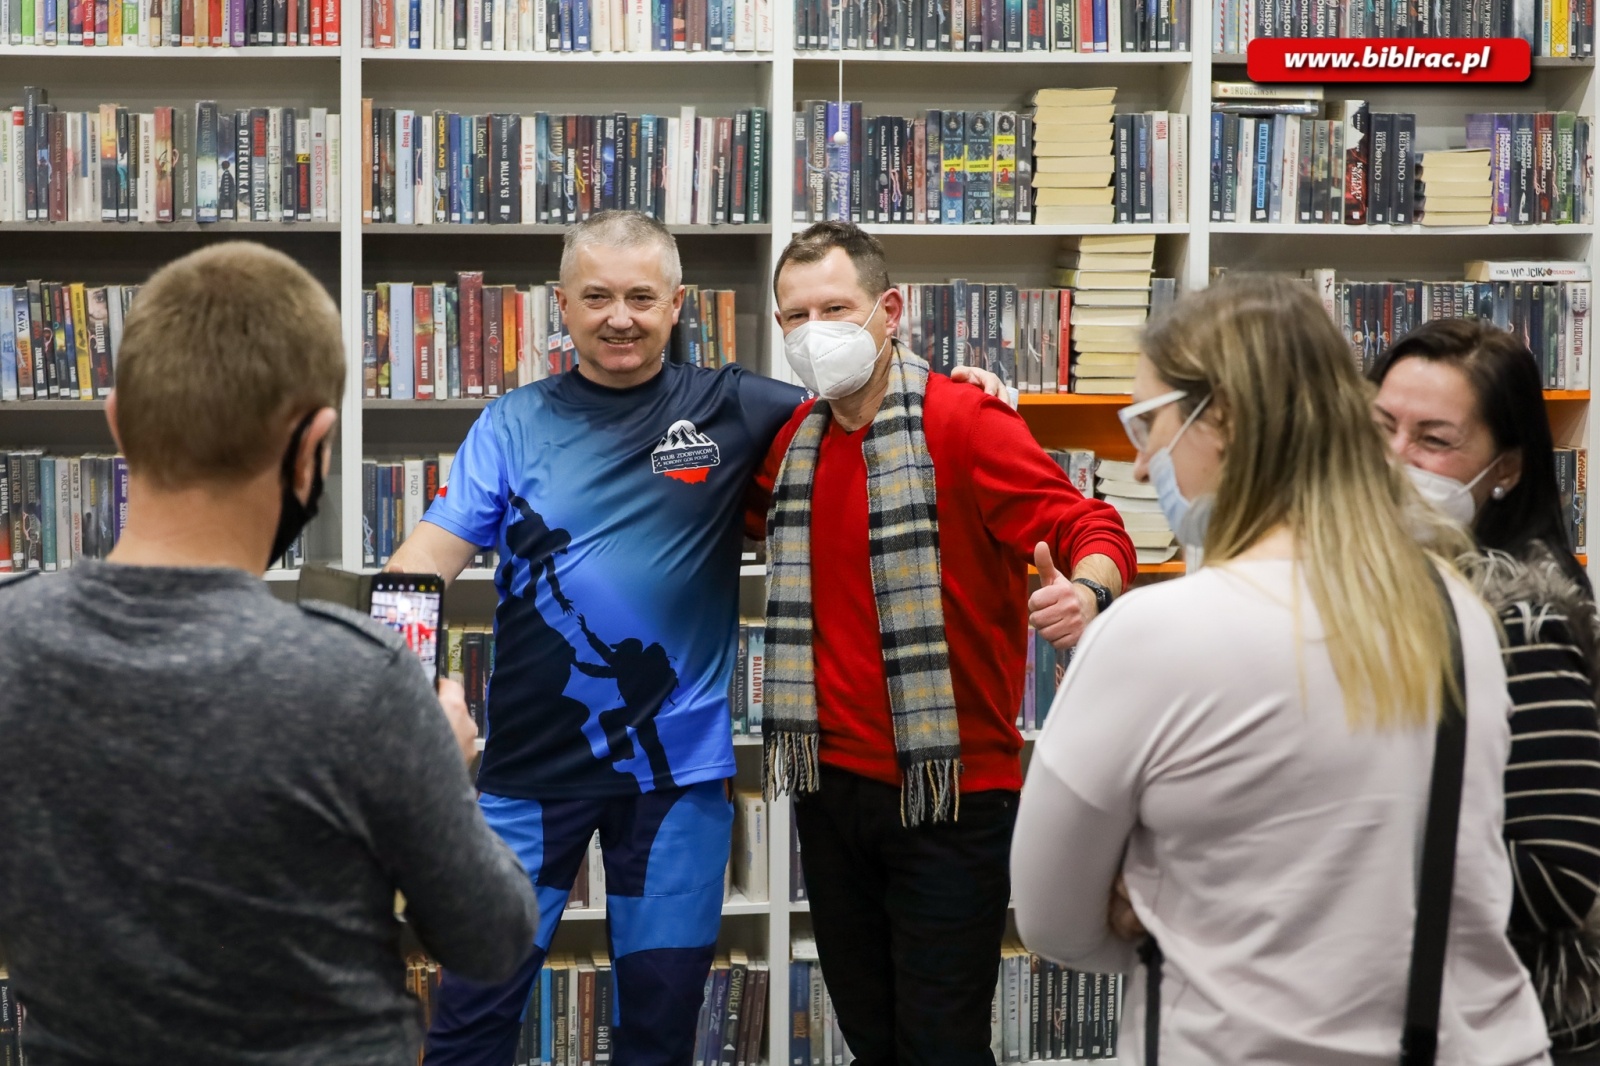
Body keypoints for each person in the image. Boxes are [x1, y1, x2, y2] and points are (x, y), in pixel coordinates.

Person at [385, 209, 1008, 1066]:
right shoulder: (513, 422)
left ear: (678, 305)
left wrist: (961, 386)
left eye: (642, 297)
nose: (620, 317)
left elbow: (870, 401)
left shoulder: (737, 406)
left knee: (660, 1032)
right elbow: (423, 560)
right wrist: (396, 684)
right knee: (470, 1022)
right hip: (525, 779)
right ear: (560, 306)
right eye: (596, 296)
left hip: (676, 786)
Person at [0, 241, 539, 1066]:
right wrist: (448, 766)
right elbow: (492, 942)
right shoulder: (361, 680)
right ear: (313, 446)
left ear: (117, 421)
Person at [1010, 275, 1552, 1065]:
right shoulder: (1458, 610)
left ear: (1220, 420)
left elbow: (1053, 918)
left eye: (1148, 424)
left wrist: (1164, 904)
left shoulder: (1156, 634)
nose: (1138, 467)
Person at [750, 221, 1136, 1066]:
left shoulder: (965, 420)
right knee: (871, 1035)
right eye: (794, 316)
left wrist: (1089, 589)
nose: (815, 331)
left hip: (951, 793)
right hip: (830, 790)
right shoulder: (792, 447)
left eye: (836, 308)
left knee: (942, 1043)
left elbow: (1089, 523)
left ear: (888, 310)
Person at [1372, 318, 1600, 1058]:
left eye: (1434, 440)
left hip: (1513, 1019)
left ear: (1504, 468)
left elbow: (1558, 871)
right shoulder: (1402, 576)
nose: (1395, 458)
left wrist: (1354, 872)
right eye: (1381, 426)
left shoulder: (1524, 611)